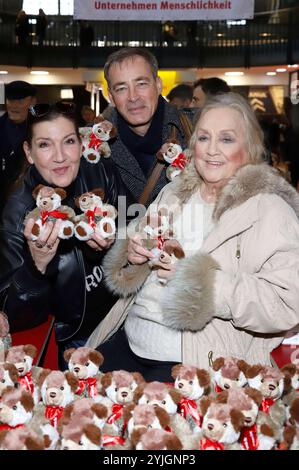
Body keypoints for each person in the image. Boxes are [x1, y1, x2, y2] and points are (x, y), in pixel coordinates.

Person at [86, 92, 299, 382]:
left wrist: (200, 281)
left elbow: (286, 303)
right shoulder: (175, 192)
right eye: (203, 138)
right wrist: (134, 253)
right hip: (130, 340)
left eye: (226, 139)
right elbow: (142, 256)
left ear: (249, 149)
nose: (212, 150)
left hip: (194, 361)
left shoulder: (269, 209)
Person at [0, 102, 129, 370]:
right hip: (70, 340)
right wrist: (37, 267)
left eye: (68, 141)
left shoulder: (100, 170)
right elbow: (11, 313)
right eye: (45, 145)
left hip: (121, 321)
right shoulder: (17, 211)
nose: (60, 157)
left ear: (81, 144)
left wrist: (113, 242)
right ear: (29, 152)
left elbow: (135, 223)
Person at [102, 47, 190, 206]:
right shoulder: (94, 145)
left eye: (141, 84)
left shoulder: (195, 129)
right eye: (121, 88)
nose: (133, 97)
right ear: (111, 97)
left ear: (158, 85)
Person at [0, 80, 37, 215]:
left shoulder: (40, 130)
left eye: (20, 101)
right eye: (10, 100)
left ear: (32, 102)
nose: (14, 106)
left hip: (29, 206)